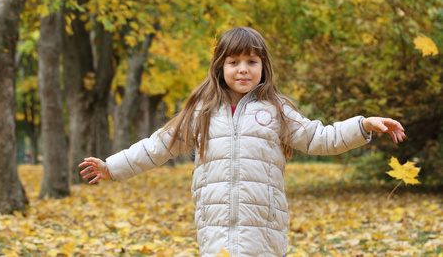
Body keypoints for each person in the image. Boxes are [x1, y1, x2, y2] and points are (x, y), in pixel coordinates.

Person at [79, 27, 406, 257]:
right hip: (215, 226)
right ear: (220, 67)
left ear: (264, 67)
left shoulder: (278, 110)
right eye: (233, 62)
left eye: (252, 61)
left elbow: (320, 137)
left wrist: (363, 125)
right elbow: (158, 146)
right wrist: (112, 167)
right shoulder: (202, 112)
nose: (243, 69)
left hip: (263, 227)